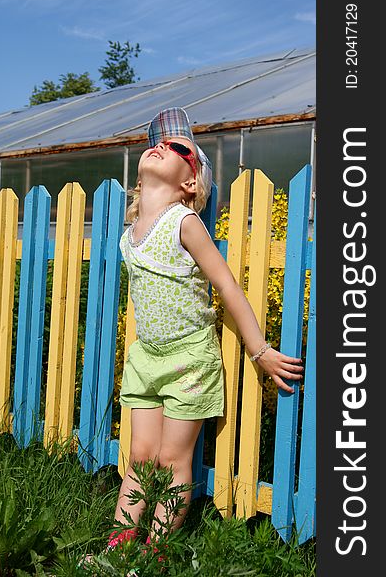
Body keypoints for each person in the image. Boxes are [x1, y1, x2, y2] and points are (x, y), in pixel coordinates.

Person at [90, 107, 303, 564]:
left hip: (188, 359)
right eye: (159, 143)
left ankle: (158, 551)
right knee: (139, 458)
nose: (163, 146)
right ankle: (119, 546)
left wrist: (259, 349)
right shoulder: (129, 236)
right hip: (145, 358)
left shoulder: (184, 223)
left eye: (178, 147)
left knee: (171, 460)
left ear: (190, 181)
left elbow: (226, 286)